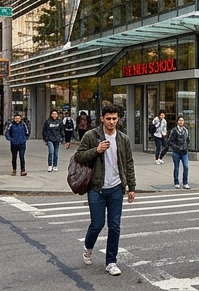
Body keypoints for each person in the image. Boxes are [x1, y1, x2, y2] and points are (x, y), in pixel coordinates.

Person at [74, 103, 136, 276]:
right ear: (102, 119)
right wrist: (96, 150)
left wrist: (132, 187)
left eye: (114, 119)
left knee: (115, 226)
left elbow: (129, 164)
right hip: (96, 188)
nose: (111, 122)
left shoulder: (123, 139)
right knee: (97, 224)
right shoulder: (91, 135)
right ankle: (88, 247)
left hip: (116, 188)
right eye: (108, 118)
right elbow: (78, 156)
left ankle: (111, 262)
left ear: (118, 119)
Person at [169, 115, 191, 189]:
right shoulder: (174, 131)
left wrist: (185, 147)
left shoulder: (186, 130)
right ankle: (176, 182)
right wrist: (176, 147)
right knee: (177, 167)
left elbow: (188, 140)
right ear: (177, 122)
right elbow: (170, 141)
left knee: (186, 167)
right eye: (180, 120)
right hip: (176, 152)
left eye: (182, 120)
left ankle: (185, 182)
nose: (181, 122)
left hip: (184, 152)